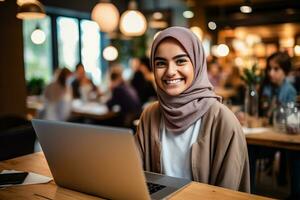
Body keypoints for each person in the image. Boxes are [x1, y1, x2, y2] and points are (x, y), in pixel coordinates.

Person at [134, 27, 250, 192]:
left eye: (180, 61)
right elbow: (133, 175)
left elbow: (227, 194)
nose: (170, 72)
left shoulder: (223, 120)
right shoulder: (150, 115)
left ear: (197, 64)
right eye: (161, 63)